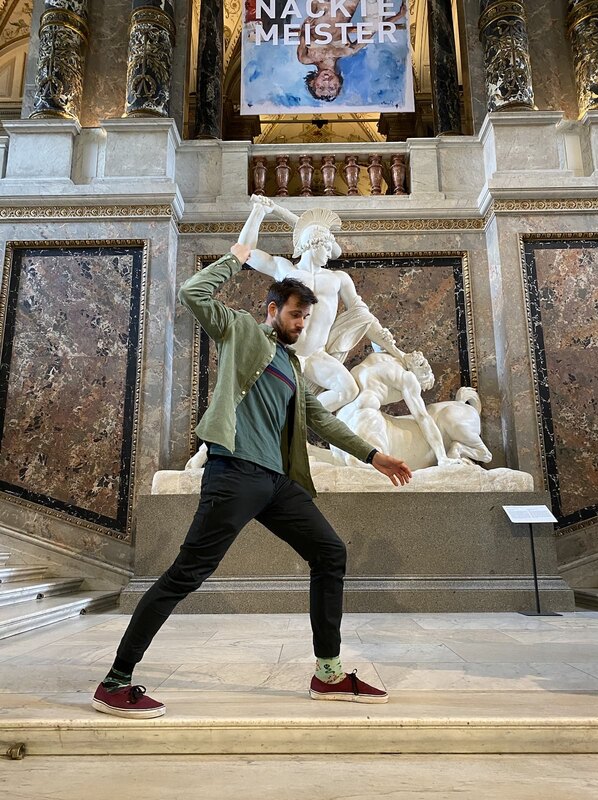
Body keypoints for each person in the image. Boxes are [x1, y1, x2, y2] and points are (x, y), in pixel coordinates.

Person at [92, 242, 412, 719]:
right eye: (297, 315)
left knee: (330, 552)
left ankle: (328, 674)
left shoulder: (291, 365)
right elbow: (192, 294)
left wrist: (373, 455)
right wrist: (235, 257)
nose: (302, 325)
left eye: (306, 318)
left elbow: (316, 420)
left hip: (276, 483)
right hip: (235, 473)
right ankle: (115, 681)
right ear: (273, 310)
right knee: (187, 574)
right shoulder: (240, 329)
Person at [239, 196, 408, 412]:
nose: (330, 254)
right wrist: (259, 212)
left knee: (348, 390)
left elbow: (362, 315)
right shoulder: (285, 270)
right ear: (312, 243)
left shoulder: (338, 279)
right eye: (326, 247)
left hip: (316, 355)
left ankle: (298, 422)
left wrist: (392, 349)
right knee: (261, 404)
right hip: (282, 351)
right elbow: (244, 251)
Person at [297, 0, 407, 101]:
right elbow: (373, 30)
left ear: (312, 83)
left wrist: (305, 27)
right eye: (332, 87)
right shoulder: (349, 51)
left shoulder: (306, 58)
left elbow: (302, 33)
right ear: (339, 83)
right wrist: (398, 16)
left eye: (321, 87)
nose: (327, 81)